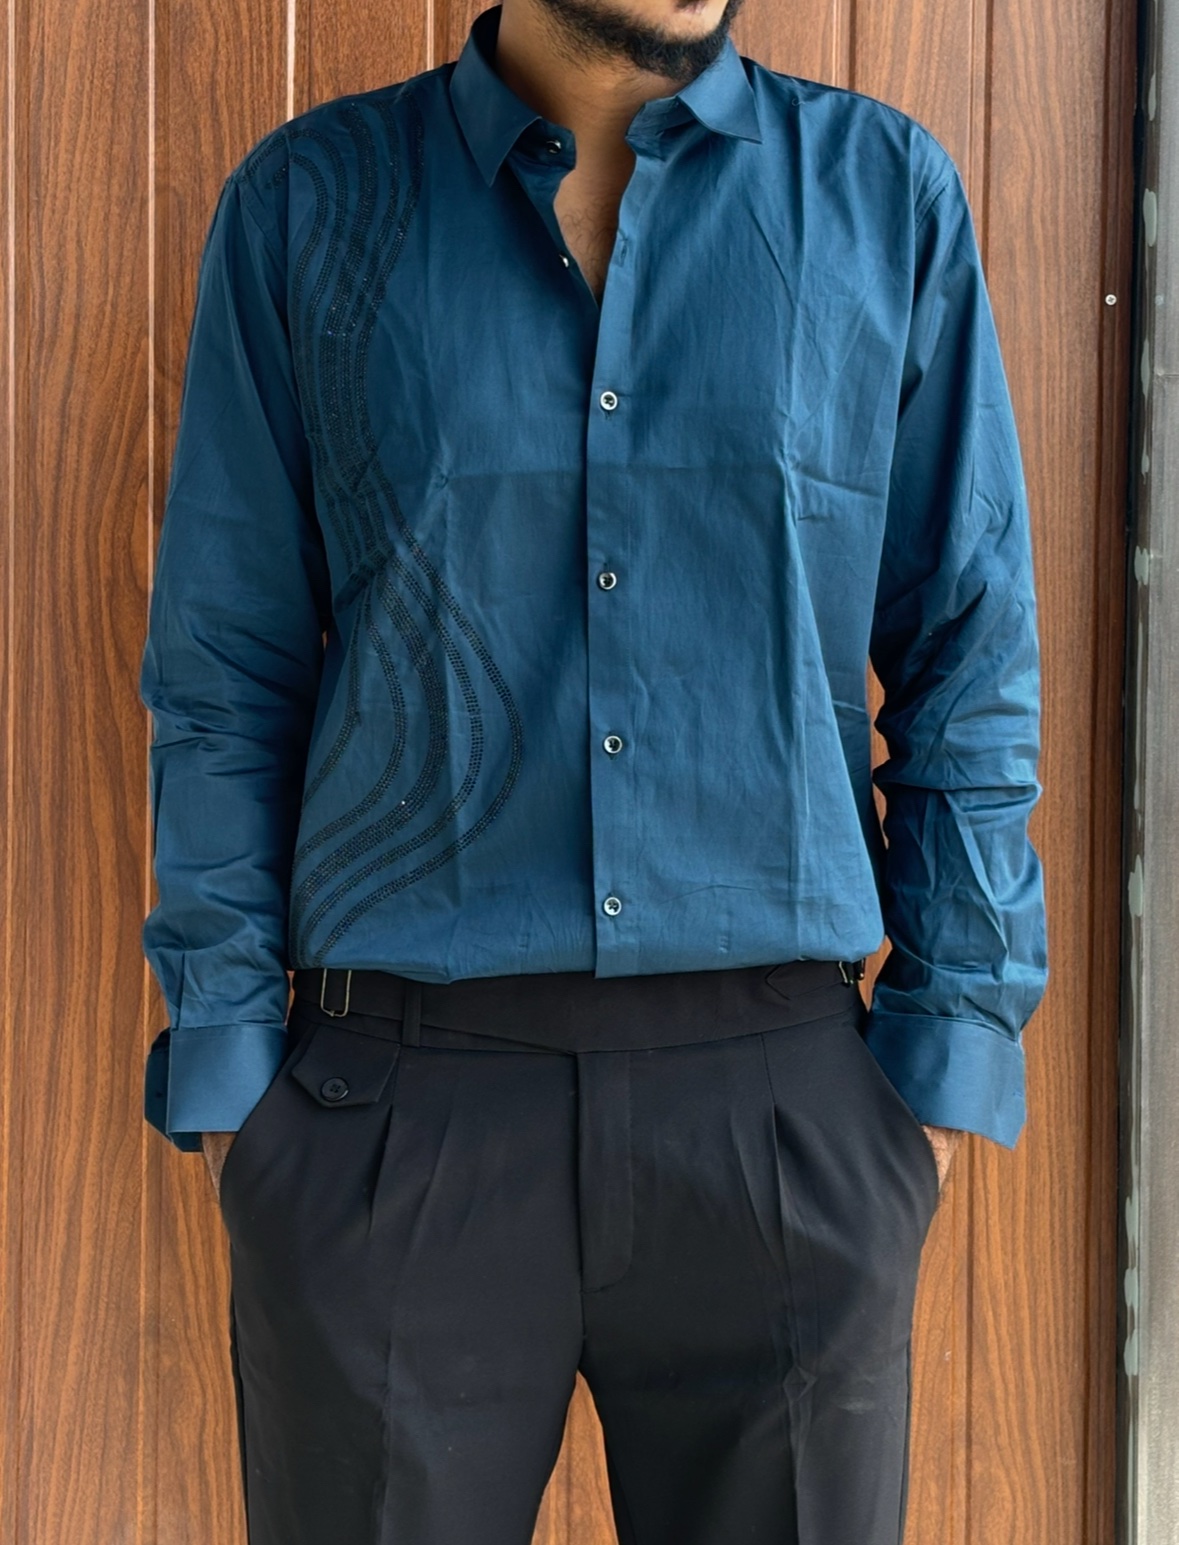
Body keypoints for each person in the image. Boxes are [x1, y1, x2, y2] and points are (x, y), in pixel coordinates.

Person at [139, 0, 1048, 1540]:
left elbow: (968, 641)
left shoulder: (881, 198)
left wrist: (945, 1050)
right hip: (392, 1118)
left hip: (785, 1116)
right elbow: (226, 664)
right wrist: (235, 1076)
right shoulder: (308, 204)